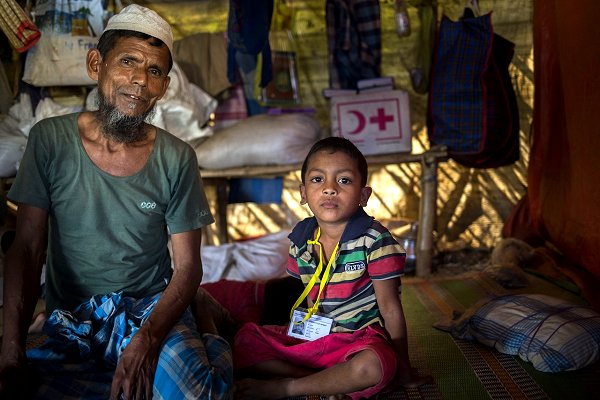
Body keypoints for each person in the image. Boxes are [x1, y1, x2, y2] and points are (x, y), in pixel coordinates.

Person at [0, 4, 233, 399]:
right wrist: (10, 351)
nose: (140, 80)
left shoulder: (176, 158)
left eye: (155, 70)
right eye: (127, 61)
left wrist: (148, 339)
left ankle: (210, 335)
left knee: (196, 394)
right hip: (73, 317)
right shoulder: (49, 141)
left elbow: (189, 267)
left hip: (148, 313)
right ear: (96, 65)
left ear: (164, 85)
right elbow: (27, 247)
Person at [232, 137, 429, 399]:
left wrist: (404, 368)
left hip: (359, 343)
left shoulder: (375, 240)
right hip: (318, 338)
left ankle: (287, 386)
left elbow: (390, 307)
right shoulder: (300, 241)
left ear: (363, 195)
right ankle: (327, 381)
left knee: (376, 365)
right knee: (244, 340)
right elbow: (307, 300)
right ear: (303, 193)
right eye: (317, 180)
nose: (329, 189)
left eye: (344, 180)